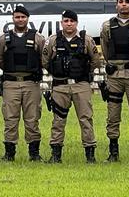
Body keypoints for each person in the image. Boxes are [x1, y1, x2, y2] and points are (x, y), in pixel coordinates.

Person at [43, 10, 102, 163]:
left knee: (85, 119)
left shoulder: (86, 40)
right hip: (60, 86)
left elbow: (95, 60)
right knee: (58, 120)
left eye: (72, 21)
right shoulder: (53, 40)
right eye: (66, 21)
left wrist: (83, 73)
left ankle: (90, 154)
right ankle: (56, 155)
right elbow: (45, 61)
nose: (69, 24)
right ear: (61, 22)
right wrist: (57, 72)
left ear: (76, 22)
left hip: (81, 85)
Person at [0, 4, 45, 162]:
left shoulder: (37, 38)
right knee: (10, 119)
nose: (20, 19)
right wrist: (11, 70)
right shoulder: (4, 38)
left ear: (27, 18)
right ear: (13, 19)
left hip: (31, 83)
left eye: (23, 17)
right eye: (17, 17)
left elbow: (44, 58)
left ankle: (34, 153)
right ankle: (9, 153)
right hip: (11, 84)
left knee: (32, 118)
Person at [99, 0, 129, 162]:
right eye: (120, 2)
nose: (123, 5)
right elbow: (105, 49)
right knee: (112, 115)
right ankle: (113, 152)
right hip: (114, 77)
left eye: (126, 2)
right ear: (116, 5)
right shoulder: (107, 26)